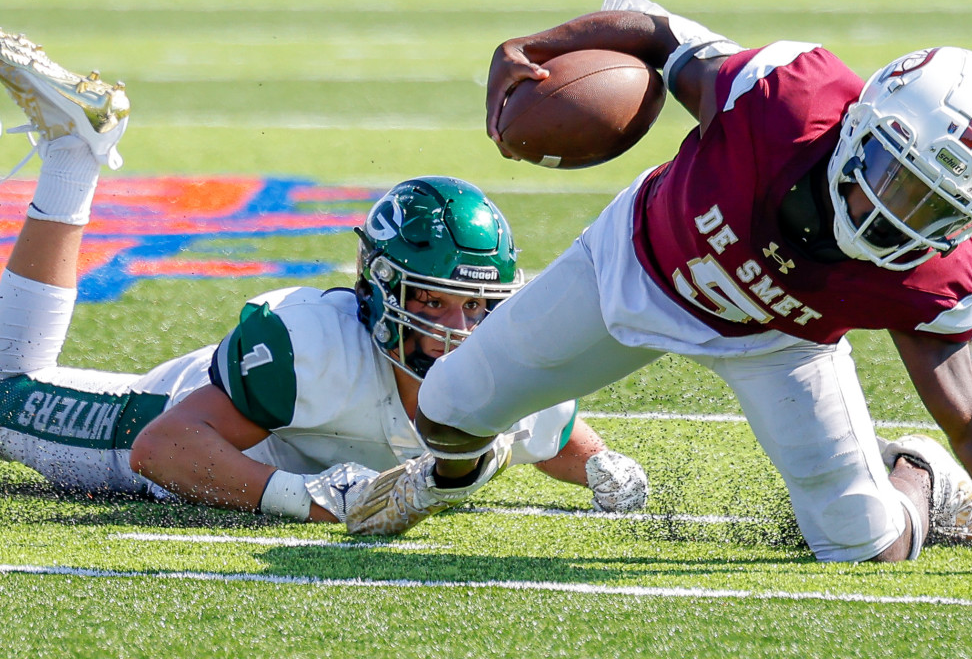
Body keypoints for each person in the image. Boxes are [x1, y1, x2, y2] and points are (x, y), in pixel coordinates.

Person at [343, 0, 972, 579]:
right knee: (446, 409)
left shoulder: (934, 272)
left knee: (864, 547)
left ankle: (915, 475)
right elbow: (658, 33)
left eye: (933, 207)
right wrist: (535, 47)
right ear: (858, 127)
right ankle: (450, 477)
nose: (901, 218)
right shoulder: (782, 99)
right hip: (636, 263)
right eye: (895, 181)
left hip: (780, 342)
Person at [0, 27, 649, 523]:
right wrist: (308, 501)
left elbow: (551, 429)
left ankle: (71, 148)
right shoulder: (313, 346)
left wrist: (600, 466)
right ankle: (73, 151)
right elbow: (160, 449)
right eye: (431, 301)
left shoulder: (509, 358)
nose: (460, 329)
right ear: (381, 293)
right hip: (146, 418)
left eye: (475, 305)